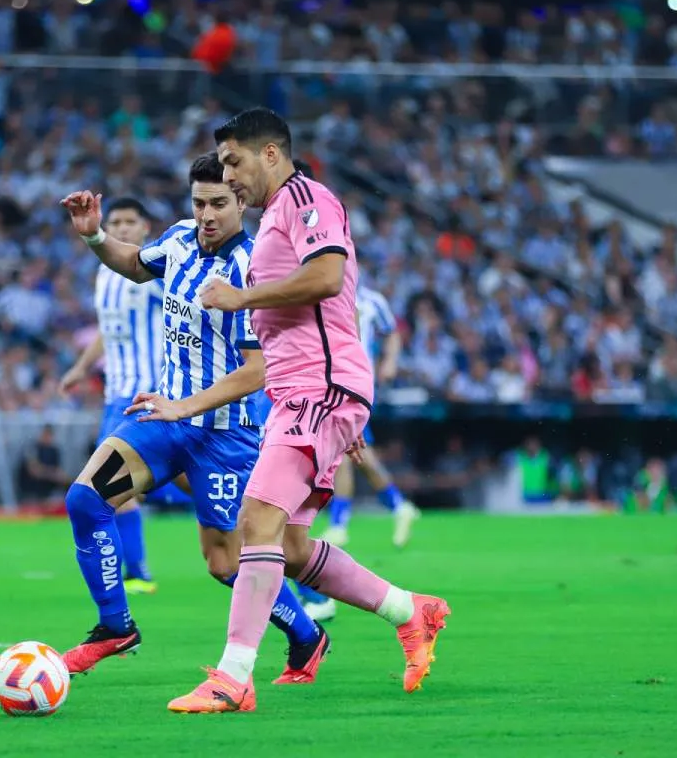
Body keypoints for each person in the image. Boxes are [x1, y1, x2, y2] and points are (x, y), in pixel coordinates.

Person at [171, 108, 451, 713]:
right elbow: (335, 309)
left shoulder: (307, 198)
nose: (229, 175)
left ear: (270, 154)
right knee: (290, 549)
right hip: (306, 393)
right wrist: (343, 407)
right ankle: (413, 611)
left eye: (234, 161)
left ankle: (232, 678)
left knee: (256, 521)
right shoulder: (276, 216)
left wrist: (247, 300)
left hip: (317, 390)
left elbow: (328, 277)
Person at [58, 152, 330, 684]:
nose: (207, 214)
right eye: (199, 202)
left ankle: (306, 635)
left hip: (225, 436)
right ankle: (115, 626)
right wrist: (94, 237)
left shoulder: (255, 270)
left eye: (218, 204)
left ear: (241, 203)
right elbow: (137, 265)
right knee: (85, 499)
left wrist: (185, 405)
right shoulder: (180, 239)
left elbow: (256, 371)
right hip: (163, 420)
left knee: (226, 565)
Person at [60, 197, 169, 595]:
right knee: (117, 489)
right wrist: (80, 368)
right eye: (117, 221)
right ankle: (137, 571)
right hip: (114, 395)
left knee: (113, 487)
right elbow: (107, 330)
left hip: (149, 394)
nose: (122, 229)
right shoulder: (105, 274)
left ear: (145, 228)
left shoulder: (155, 273)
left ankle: (137, 572)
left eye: (130, 222)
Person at [318, 283, 417, 549]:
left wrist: (390, 361)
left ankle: (339, 525)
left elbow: (392, 332)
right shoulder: (324, 292)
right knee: (358, 452)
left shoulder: (372, 300)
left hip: (353, 384)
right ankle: (398, 506)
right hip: (337, 382)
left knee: (341, 454)